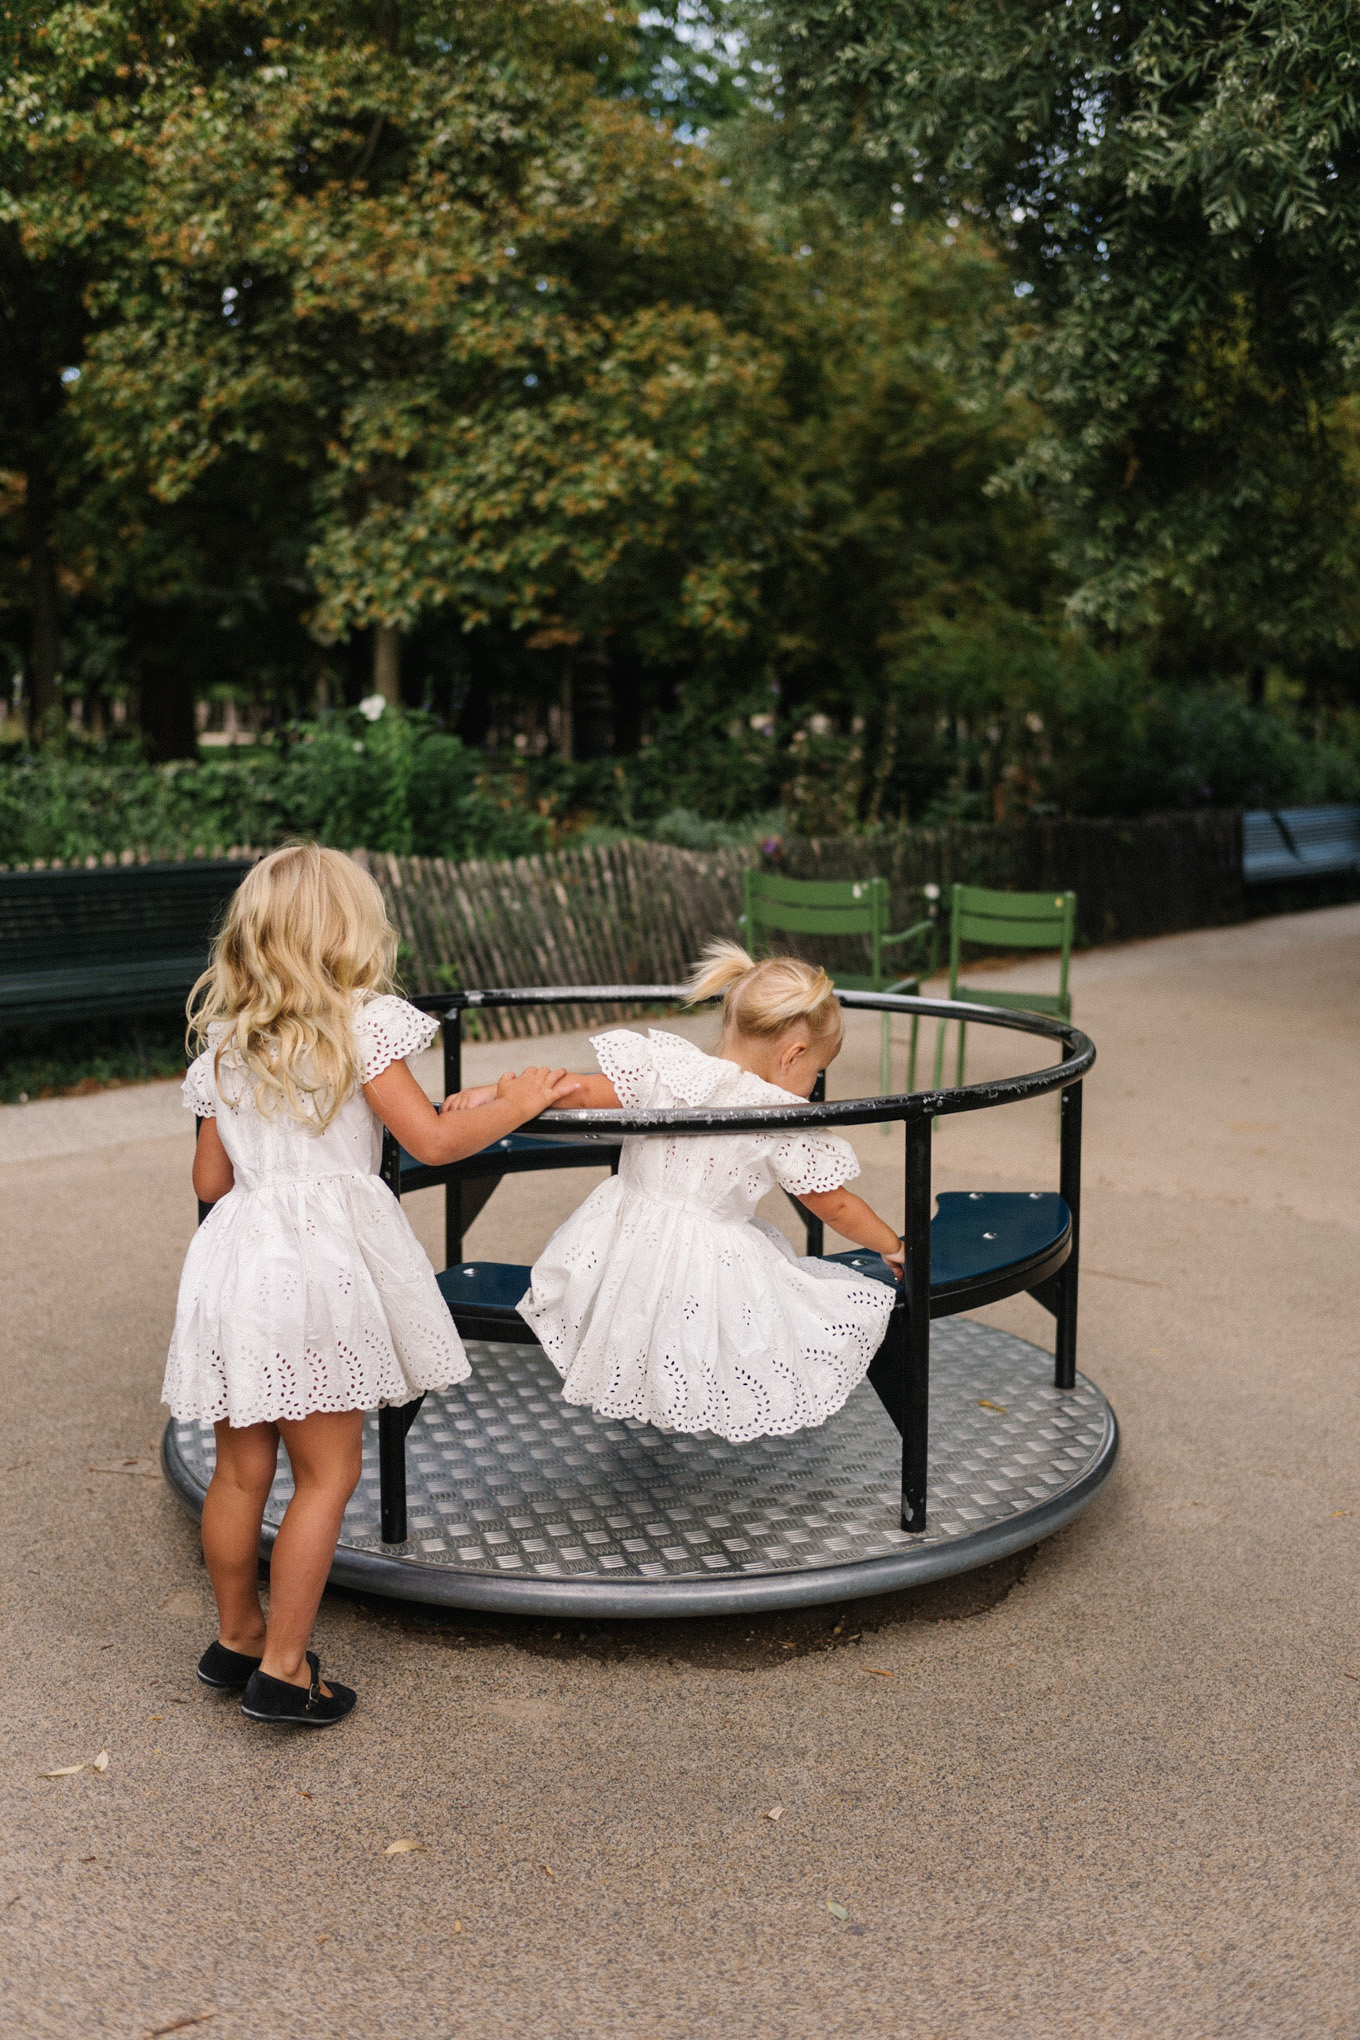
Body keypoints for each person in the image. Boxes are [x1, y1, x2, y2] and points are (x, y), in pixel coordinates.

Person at [164, 844, 578, 1727]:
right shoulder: (361, 1022)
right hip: (320, 1270)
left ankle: (236, 1636)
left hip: (240, 1262)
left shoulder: (226, 1044)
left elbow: (209, 1184)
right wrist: (522, 1099)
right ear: (349, 927)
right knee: (327, 1475)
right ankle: (283, 1669)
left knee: (242, 1472)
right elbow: (429, 1141)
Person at [516, 941, 903, 1443]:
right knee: (774, 1324)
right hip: (705, 1258)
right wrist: (892, 1245)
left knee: (636, 1313)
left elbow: (571, 1091)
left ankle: (644, 1389)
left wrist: (489, 1098)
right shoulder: (776, 1117)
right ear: (793, 1055)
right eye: (817, 1070)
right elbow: (838, 1207)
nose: (813, 1083)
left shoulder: (667, 1071)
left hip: (618, 1245)